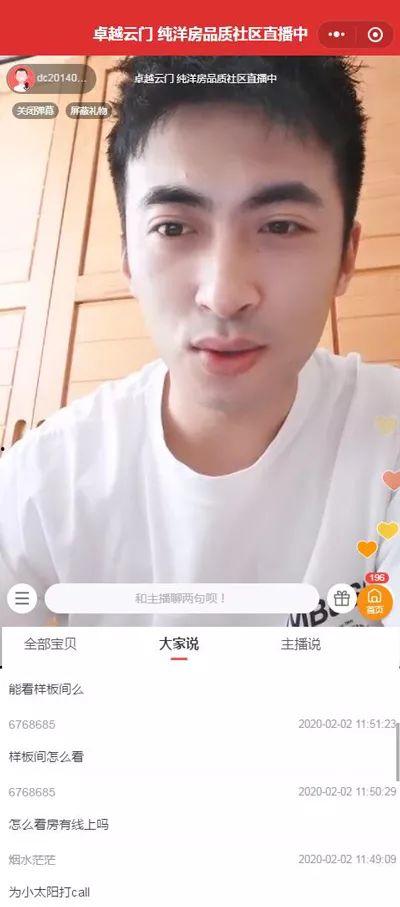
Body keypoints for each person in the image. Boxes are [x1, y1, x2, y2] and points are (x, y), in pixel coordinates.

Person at [1, 55, 399, 628]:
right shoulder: (41, 479)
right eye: (173, 227)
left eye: (281, 225)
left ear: (346, 257)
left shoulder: (389, 437)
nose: (225, 295)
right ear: (127, 258)